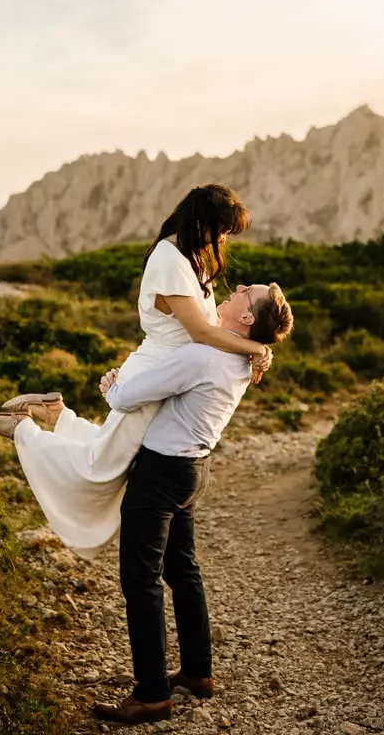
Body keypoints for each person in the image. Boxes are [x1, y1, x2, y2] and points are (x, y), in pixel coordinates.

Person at [0, 185, 274, 558]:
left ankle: (56, 413)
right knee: (99, 469)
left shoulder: (191, 260)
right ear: (202, 222)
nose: (223, 239)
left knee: (108, 452)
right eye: (222, 229)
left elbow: (205, 332)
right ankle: (21, 429)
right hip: (155, 375)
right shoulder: (170, 260)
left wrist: (254, 348)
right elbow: (200, 331)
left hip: (168, 377)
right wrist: (256, 347)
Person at [90, 280, 293, 725]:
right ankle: (199, 673)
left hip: (161, 474)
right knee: (183, 571)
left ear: (245, 318)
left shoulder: (205, 355)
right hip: (193, 471)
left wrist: (111, 386)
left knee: (140, 580)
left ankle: (151, 694)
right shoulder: (242, 357)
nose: (237, 286)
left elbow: (125, 396)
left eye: (247, 291)